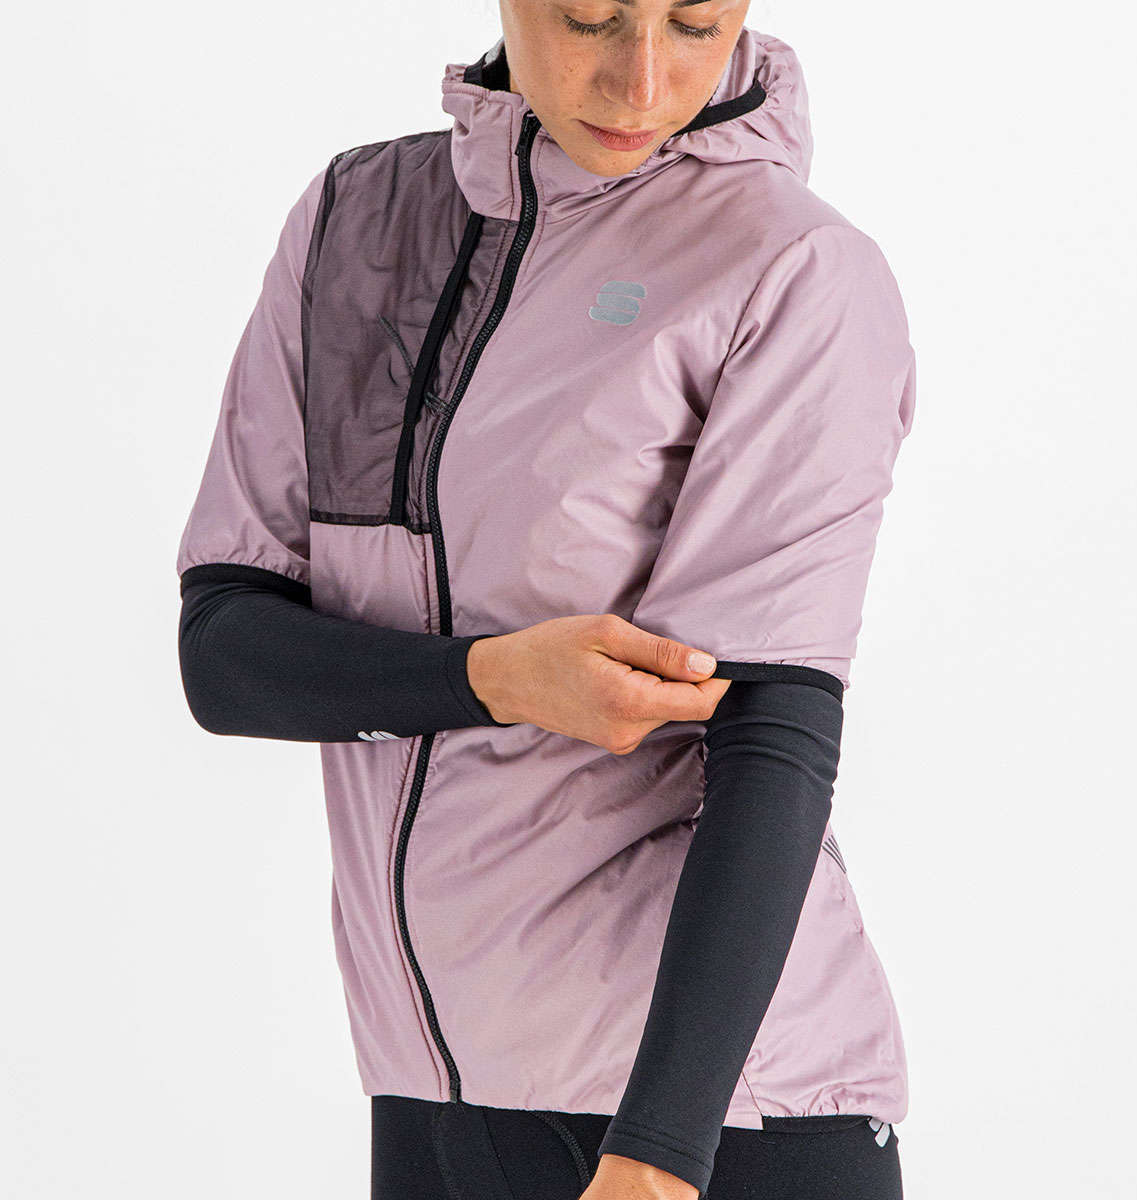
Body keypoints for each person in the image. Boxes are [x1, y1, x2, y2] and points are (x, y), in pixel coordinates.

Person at [174, 3, 917, 1197]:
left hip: (712, 1121)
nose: (643, 80)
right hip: (429, 1097)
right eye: (591, 18)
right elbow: (226, 653)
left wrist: (659, 1151)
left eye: (694, 24)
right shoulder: (355, 223)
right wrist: (498, 677)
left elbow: (774, 735)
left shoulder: (792, 269)